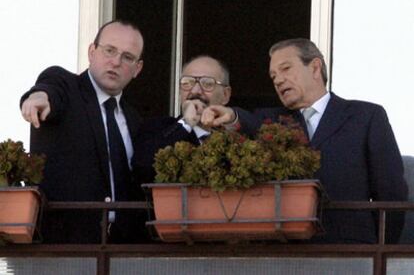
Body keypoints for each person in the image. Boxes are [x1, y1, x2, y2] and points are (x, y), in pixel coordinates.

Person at [201, 38, 408, 244]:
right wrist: (230, 116)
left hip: (350, 251)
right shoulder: (271, 121)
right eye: (273, 76)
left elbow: (391, 192)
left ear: (315, 68)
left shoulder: (366, 116)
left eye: (286, 69)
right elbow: (246, 122)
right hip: (288, 253)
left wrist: (381, 249)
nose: (278, 80)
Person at [19, 20, 148, 244]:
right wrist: (38, 97)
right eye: (109, 50)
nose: (116, 62)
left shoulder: (135, 119)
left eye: (127, 57)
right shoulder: (66, 88)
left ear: (137, 69)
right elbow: (50, 87)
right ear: (92, 52)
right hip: (62, 250)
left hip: (122, 252)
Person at [133, 55, 232, 183]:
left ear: (225, 95)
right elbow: (143, 168)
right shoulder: (157, 128)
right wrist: (186, 124)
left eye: (207, 83)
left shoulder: (236, 138)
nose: (195, 91)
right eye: (188, 83)